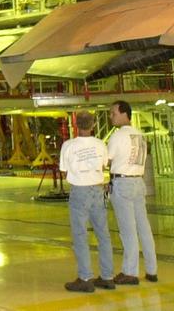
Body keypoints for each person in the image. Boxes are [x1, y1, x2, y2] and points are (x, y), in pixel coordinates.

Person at [59, 110, 114, 293]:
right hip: (97, 190)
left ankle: (85, 278)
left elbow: (64, 171)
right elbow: (105, 164)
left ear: (76, 124)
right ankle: (107, 277)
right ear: (93, 125)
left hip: (80, 192)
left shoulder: (68, 145)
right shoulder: (100, 144)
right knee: (103, 235)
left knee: (81, 236)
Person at [107, 101, 159, 284]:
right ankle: (152, 270)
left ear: (124, 113)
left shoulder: (118, 136)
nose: (111, 116)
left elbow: (108, 158)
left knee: (127, 230)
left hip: (123, 184)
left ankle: (130, 272)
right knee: (143, 228)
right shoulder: (140, 135)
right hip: (139, 182)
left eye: (113, 113)